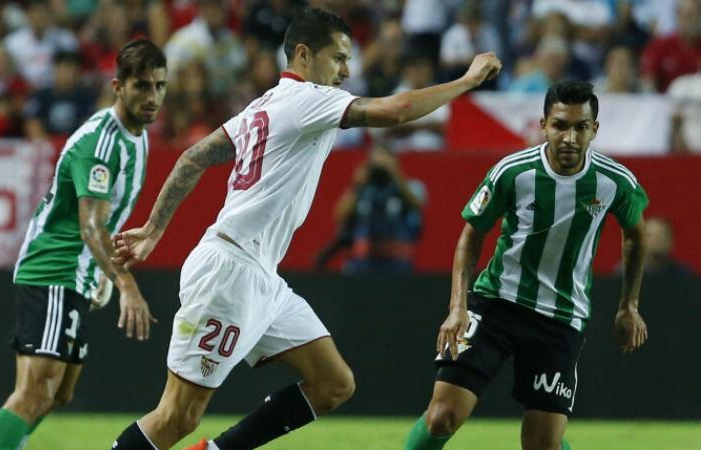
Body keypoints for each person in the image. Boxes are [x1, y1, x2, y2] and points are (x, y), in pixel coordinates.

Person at [109, 7, 501, 450]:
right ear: (303, 54)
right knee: (177, 417)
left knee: (333, 382)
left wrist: (154, 228)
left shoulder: (266, 104)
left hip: (259, 274)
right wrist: (466, 81)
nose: (346, 71)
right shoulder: (306, 98)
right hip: (231, 271)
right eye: (338, 58)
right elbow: (395, 112)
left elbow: (193, 157)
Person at [404, 80, 649, 450]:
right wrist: (457, 307)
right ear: (543, 125)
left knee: (541, 445)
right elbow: (470, 236)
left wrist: (628, 306)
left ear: (594, 130)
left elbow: (636, 235)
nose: (569, 137)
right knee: (442, 415)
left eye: (580, 127)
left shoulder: (615, 182)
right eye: (560, 125)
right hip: (496, 303)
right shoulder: (512, 171)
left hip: (561, 318)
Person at [0, 39, 166, 450]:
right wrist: (125, 283)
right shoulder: (100, 145)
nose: (152, 98)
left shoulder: (139, 136)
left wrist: (96, 272)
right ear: (118, 86)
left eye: (159, 87)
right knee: (34, 392)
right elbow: (91, 227)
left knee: (57, 394)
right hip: (54, 267)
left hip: (77, 271)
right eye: (142, 87)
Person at [315, 145, 426, 272]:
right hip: (363, 262)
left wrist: (395, 175)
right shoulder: (364, 188)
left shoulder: (410, 186)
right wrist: (358, 184)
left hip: (398, 262)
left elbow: (418, 205)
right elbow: (339, 214)